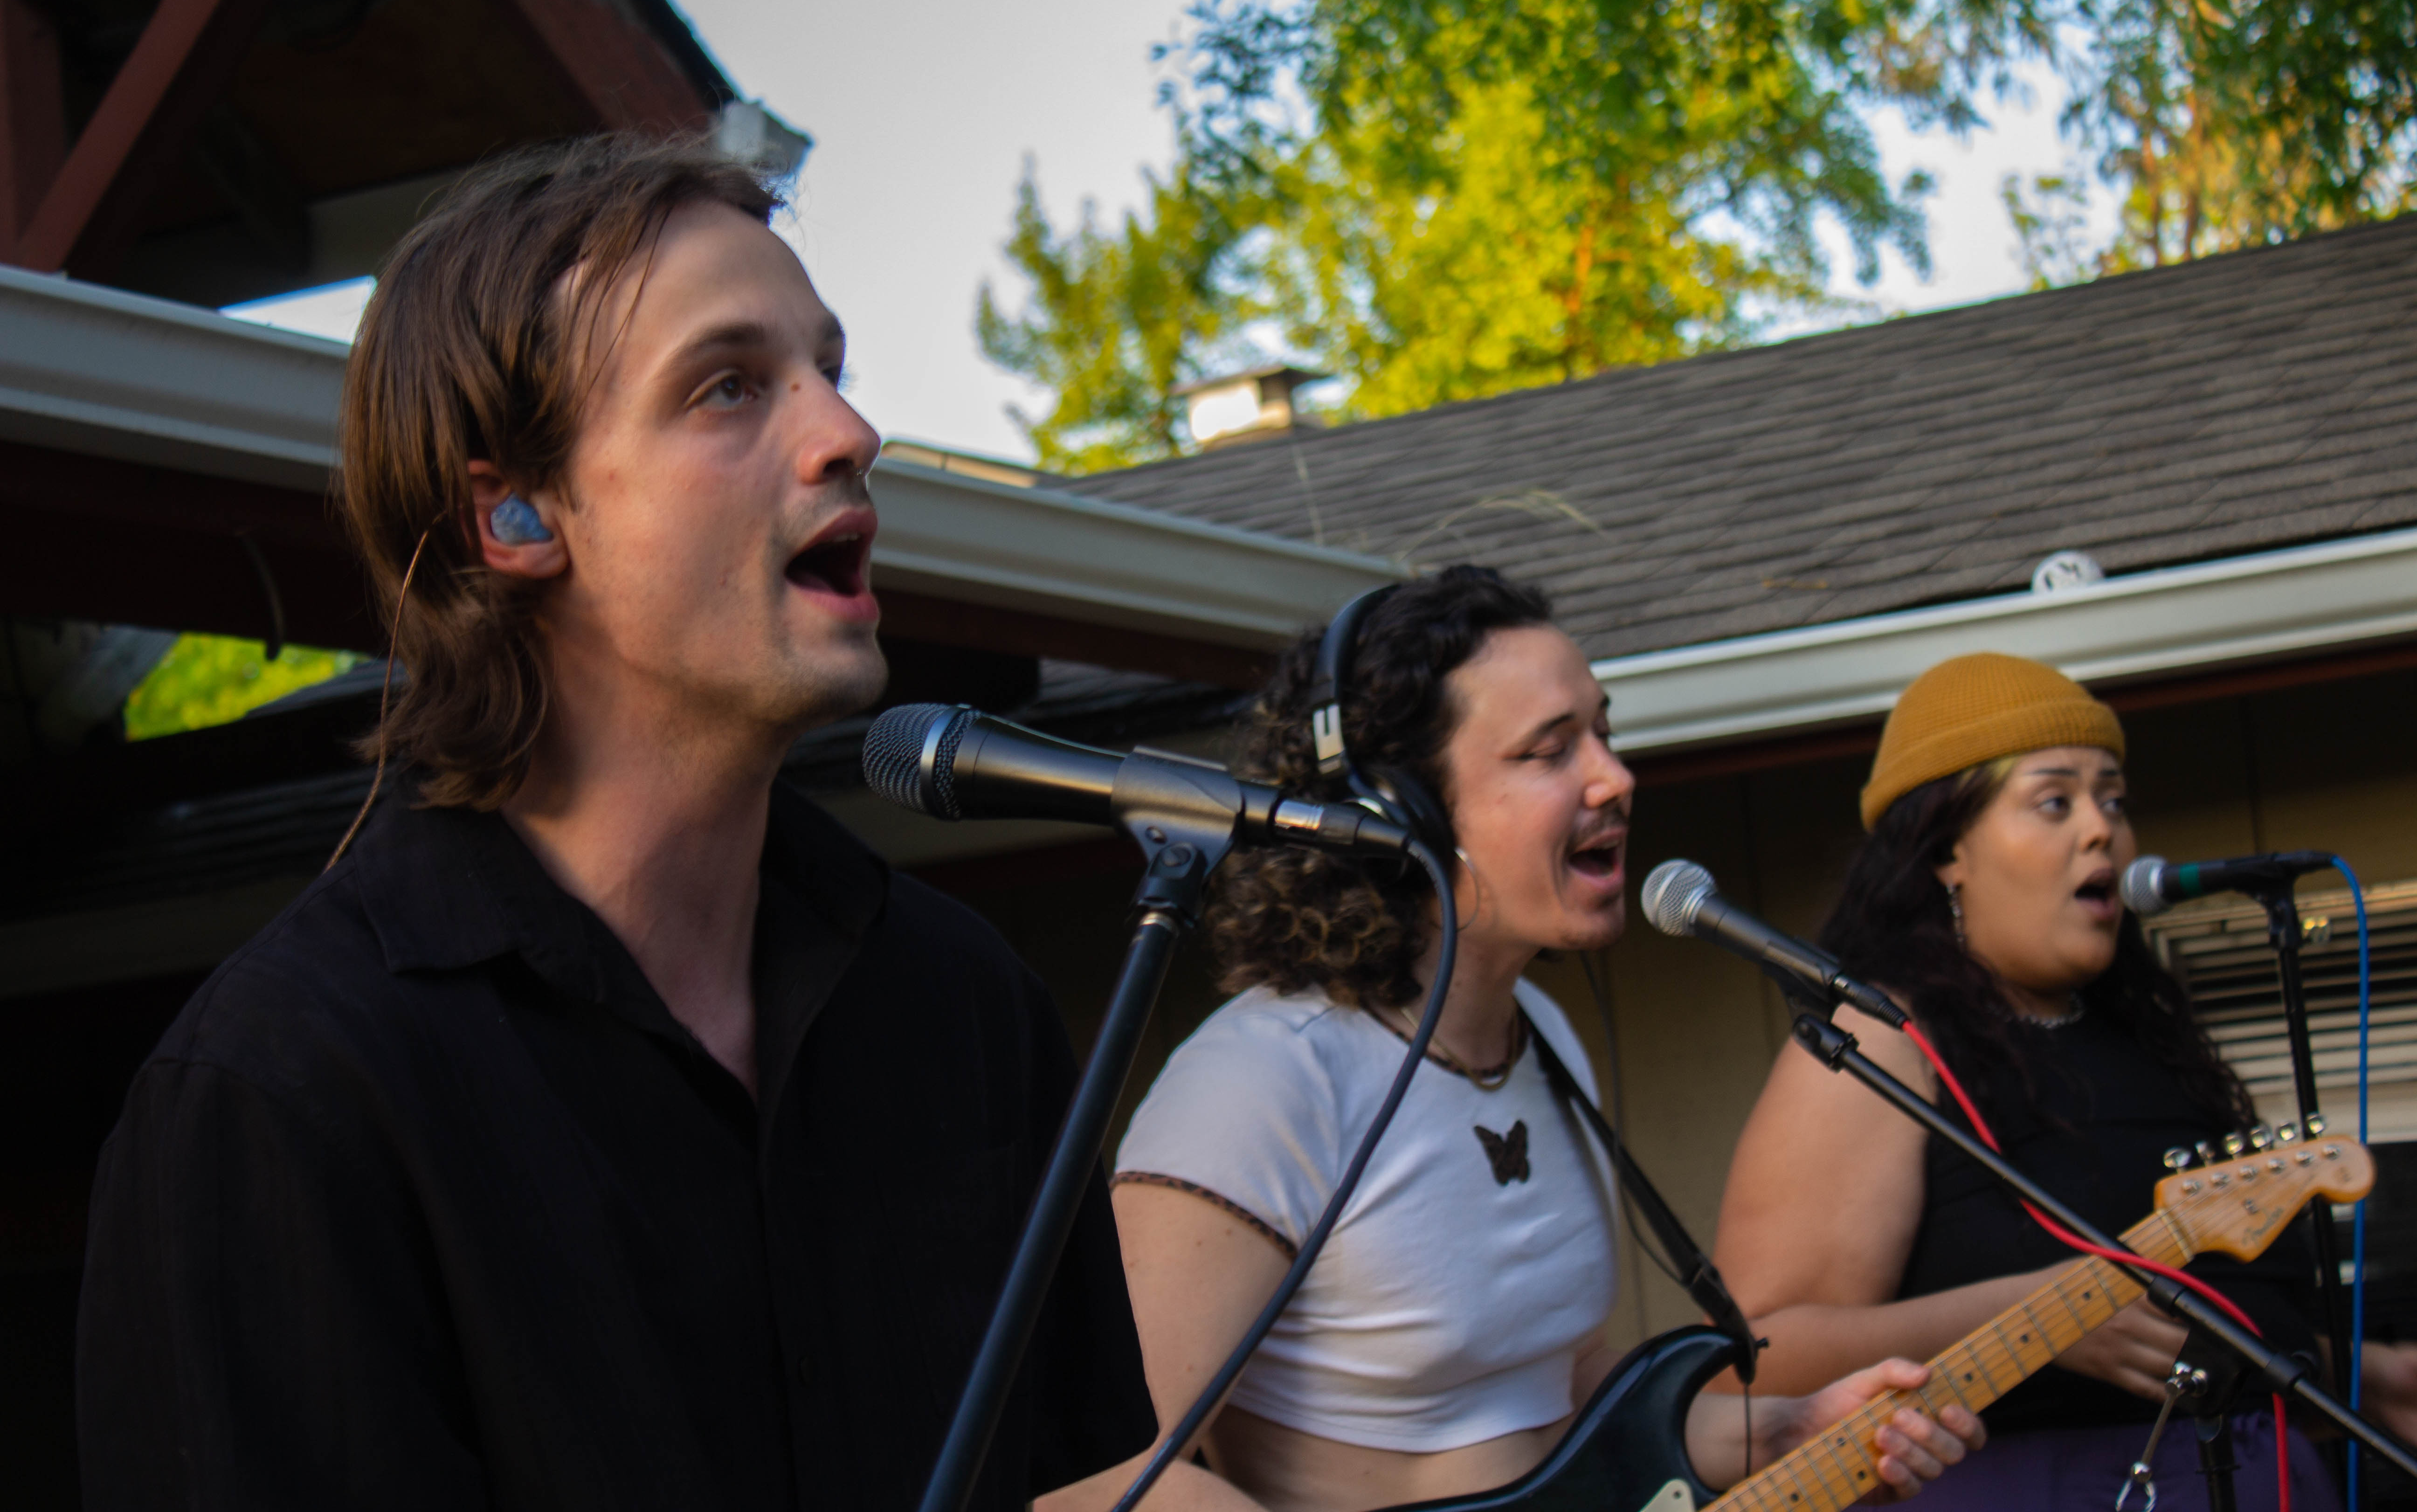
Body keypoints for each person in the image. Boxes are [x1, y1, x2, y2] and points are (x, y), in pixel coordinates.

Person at [76, 134, 1155, 1510]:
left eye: (830, 367)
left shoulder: (966, 1005)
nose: (849, 431)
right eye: (727, 387)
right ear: (517, 519)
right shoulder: (281, 1097)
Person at [1042, 569, 1987, 1512]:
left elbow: (1559, 1395)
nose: (1615, 778)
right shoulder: (1263, 1080)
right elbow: (1107, 1478)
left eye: (1605, 734)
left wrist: (1785, 1428)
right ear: (1397, 809)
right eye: (1550, 750)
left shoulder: (1543, 1039)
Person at [1713, 651, 2417, 1510]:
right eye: (2056, 801)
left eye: (2114, 801)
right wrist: (2043, 1318)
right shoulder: (1882, 1042)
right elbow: (1751, 1366)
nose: (2102, 831)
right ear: (1947, 850)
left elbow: (2198, 1339)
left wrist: (2372, 1378)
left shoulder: (2149, 1041)